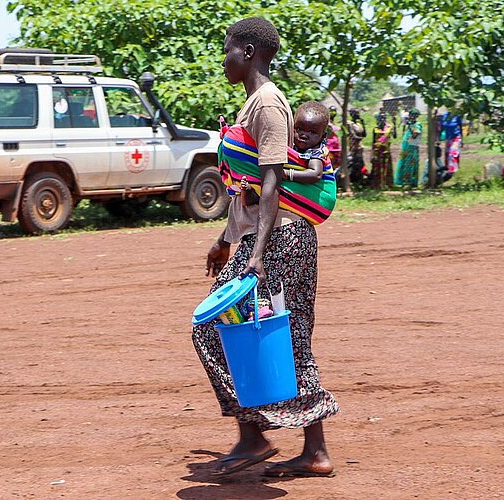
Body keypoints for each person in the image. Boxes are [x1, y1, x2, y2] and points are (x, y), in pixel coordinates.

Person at [193, 17, 339, 479]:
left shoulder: (270, 106)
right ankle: (310, 450)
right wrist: (224, 241)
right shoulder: (252, 106)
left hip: (280, 239)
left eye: (228, 50)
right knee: (281, 335)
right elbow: (248, 188)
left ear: (250, 51)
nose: (224, 59)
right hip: (265, 237)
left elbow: (273, 179)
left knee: (217, 328)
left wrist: (254, 255)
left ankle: (254, 436)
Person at [238, 100, 334, 207]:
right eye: (299, 129)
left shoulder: (317, 151)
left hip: (316, 193)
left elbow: (315, 174)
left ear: (323, 136)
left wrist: (286, 174)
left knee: (274, 180)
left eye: (312, 132)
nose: (304, 135)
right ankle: (254, 196)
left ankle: (256, 197)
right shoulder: (291, 144)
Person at [394, 108, 423, 188]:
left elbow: (414, 135)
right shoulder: (409, 124)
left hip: (412, 148)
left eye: (414, 116)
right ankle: (402, 181)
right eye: (411, 115)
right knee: (403, 163)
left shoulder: (417, 125)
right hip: (406, 147)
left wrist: (409, 126)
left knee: (410, 164)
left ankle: (409, 182)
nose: (412, 117)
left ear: (417, 116)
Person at [370, 111, 396, 189]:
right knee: (377, 169)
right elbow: (373, 142)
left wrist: (394, 124)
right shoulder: (375, 129)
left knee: (387, 168)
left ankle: (387, 185)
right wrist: (372, 154)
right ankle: (377, 185)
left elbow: (394, 136)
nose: (382, 120)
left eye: (383, 118)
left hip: (386, 151)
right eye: (380, 118)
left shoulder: (389, 128)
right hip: (377, 152)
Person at [346, 108, 367, 186]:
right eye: (357, 114)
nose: (358, 115)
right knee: (352, 163)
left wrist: (363, 123)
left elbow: (364, 134)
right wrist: (360, 138)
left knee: (360, 163)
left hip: (360, 147)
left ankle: (359, 180)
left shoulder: (359, 124)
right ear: (352, 115)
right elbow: (354, 135)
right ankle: (351, 180)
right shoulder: (349, 123)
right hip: (353, 146)